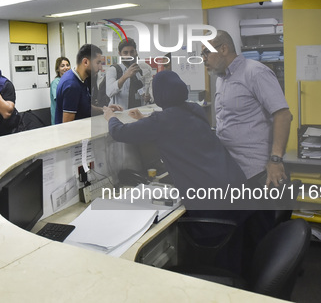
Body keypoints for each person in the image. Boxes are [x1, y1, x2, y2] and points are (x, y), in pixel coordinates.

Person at [103, 70, 251, 274]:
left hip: (213, 203)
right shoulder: (195, 110)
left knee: (215, 255)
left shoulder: (162, 122)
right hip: (236, 188)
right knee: (235, 251)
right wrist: (144, 118)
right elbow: (176, 124)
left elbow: (119, 132)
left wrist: (110, 116)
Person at [203, 30, 292, 188]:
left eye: (206, 52)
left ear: (223, 49)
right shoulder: (221, 80)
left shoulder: (255, 72)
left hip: (259, 172)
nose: (203, 59)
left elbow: (283, 115)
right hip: (233, 170)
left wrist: (276, 160)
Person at [55, 44, 121, 124]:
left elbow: (85, 107)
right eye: (98, 63)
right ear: (85, 62)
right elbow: (68, 124)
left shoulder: (83, 79)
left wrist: (105, 109)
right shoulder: (71, 85)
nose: (101, 68)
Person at [105, 37, 152, 109]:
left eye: (132, 52)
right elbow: (109, 92)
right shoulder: (113, 70)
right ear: (120, 54)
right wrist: (125, 76)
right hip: (120, 114)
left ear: (136, 52)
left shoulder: (142, 69)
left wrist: (148, 96)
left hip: (139, 112)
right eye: (125, 53)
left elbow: (145, 89)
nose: (129, 55)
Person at [50, 56, 71, 125]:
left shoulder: (70, 82)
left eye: (67, 65)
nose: (66, 68)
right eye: (62, 66)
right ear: (58, 69)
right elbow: (59, 100)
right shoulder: (56, 83)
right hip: (59, 118)